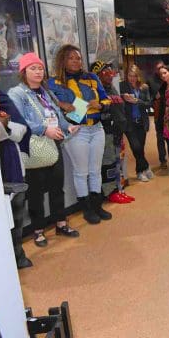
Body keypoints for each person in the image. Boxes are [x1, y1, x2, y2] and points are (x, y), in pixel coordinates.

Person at [8, 52, 80, 246]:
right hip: (34, 146)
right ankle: (38, 230)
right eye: (33, 68)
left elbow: (56, 114)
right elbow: (19, 120)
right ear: (23, 71)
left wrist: (68, 127)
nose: (38, 72)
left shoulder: (45, 91)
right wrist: (44, 130)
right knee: (36, 192)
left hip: (54, 143)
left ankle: (61, 223)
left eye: (40, 68)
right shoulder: (18, 93)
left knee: (58, 187)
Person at [48, 44, 112, 224]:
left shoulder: (91, 77)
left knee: (95, 170)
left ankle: (97, 205)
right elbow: (52, 104)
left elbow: (105, 98)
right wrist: (64, 105)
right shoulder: (54, 82)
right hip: (77, 131)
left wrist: (100, 105)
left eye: (78, 58)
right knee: (81, 171)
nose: (76, 61)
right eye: (71, 58)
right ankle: (87, 208)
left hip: (97, 128)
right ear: (63, 60)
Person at [0, 91, 33, 268]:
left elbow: (21, 129)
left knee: (16, 214)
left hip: (11, 167)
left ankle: (17, 254)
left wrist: (4, 125)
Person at [91, 60, 134, 204]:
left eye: (111, 71)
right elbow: (87, 108)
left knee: (118, 162)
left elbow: (116, 106)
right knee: (108, 163)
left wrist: (123, 99)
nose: (110, 74)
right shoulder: (94, 91)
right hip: (106, 132)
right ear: (96, 75)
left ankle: (119, 189)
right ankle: (111, 192)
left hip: (118, 132)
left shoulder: (111, 88)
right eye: (106, 72)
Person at [120, 64, 153, 182]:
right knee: (136, 147)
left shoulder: (144, 87)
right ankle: (145, 167)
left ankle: (140, 171)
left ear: (138, 76)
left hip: (141, 122)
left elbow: (149, 103)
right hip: (129, 123)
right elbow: (117, 100)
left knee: (140, 148)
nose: (132, 78)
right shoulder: (122, 86)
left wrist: (137, 101)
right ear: (126, 76)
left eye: (134, 76)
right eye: (130, 75)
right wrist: (123, 97)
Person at [149, 60, 168, 169]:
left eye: (162, 68)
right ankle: (163, 160)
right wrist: (153, 100)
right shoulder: (151, 81)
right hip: (158, 115)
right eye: (158, 69)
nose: (161, 71)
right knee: (160, 138)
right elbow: (148, 98)